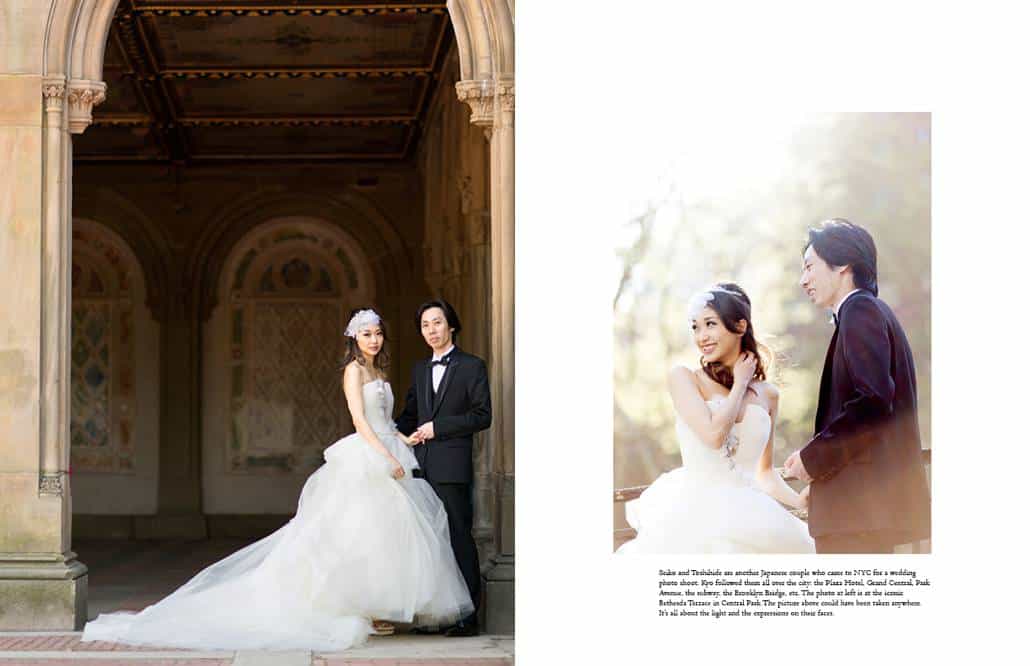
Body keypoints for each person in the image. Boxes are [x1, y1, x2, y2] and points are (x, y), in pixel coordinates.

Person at [81, 308, 473, 651]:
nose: (374, 339)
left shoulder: (379, 370)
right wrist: (385, 455)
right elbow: (359, 419)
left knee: (390, 535)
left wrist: (408, 437)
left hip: (391, 448)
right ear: (354, 338)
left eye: (378, 332)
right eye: (366, 333)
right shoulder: (353, 371)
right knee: (354, 532)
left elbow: (386, 421)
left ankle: (384, 608)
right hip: (369, 455)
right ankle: (360, 608)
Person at [617, 283, 815, 554]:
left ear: (740, 326)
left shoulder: (769, 395)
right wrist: (740, 384)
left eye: (710, 324)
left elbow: (764, 474)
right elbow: (713, 437)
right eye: (695, 327)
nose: (702, 336)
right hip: (696, 516)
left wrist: (799, 502)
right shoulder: (684, 378)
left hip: (754, 516)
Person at [785, 219, 931, 553]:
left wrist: (814, 459)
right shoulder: (866, 312)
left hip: (859, 518)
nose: (803, 279)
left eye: (809, 267)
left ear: (842, 265)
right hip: (862, 511)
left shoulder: (860, 310)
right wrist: (824, 485)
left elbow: (874, 402)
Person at [396, 299, 491, 636]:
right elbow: (409, 414)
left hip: (453, 466)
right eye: (425, 325)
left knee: (458, 538)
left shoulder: (472, 366)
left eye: (437, 323)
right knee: (429, 540)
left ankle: (468, 617)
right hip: (421, 467)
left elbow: (483, 416)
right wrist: (384, 432)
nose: (431, 330)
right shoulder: (420, 370)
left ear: (451, 325)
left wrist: (439, 427)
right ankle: (438, 614)